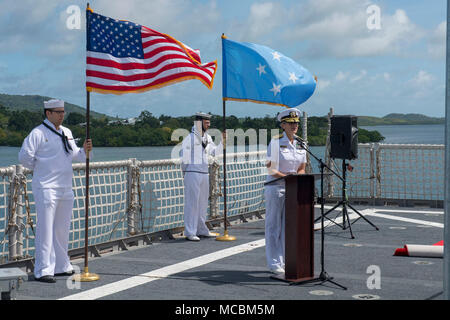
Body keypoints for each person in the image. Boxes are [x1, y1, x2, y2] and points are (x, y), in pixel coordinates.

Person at [18, 99, 92, 283]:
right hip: (46, 187)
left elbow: (76, 155)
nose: (61, 114)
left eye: (63, 111)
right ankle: (43, 270)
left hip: (65, 186)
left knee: (61, 228)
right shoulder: (37, 133)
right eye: (58, 112)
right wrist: (41, 168)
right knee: (45, 229)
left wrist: (85, 151)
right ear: (48, 113)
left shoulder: (67, 132)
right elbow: (24, 157)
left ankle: (61, 265)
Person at [264, 108, 306, 275]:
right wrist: (286, 178)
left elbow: (302, 167)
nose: (294, 125)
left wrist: (298, 178)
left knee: (288, 227)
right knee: (274, 226)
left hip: (292, 188)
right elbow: (270, 169)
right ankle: (274, 262)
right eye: (290, 123)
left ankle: (284, 259)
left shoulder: (302, 143)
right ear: (283, 125)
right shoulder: (275, 143)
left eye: (296, 122)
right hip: (276, 188)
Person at [181, 112, 223, 241]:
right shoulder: (190, 138)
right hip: (192, 172)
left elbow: (215, 152)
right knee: (192, 203)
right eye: (206, 122)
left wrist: (223, 142)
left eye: (209, 122)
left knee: (203, 203)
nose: (208, 125)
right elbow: (184, 157)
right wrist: (186, 173)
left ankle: (201, 229)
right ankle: (190, 231)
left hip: (204, 172)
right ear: (198, 123)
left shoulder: (208, 138)